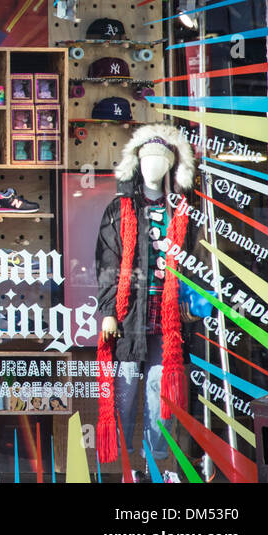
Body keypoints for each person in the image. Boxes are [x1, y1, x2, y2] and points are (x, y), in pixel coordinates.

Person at [95, 124, 198, 483]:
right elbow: (107, 262)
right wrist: (108, 311)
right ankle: (125, 470)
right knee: (124, 392)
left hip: (168, 322)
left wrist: (191, 299)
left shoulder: (183, 212)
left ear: (172, 166)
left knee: (160, 397)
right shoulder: (119, 209)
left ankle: (153, 466)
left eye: (161, 160)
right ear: (137, 164)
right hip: (127, 318)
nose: (153, 167)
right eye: (148, 159)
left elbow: (193, 262)